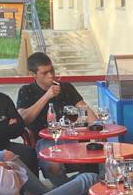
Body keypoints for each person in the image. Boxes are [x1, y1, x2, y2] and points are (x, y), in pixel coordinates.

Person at [16, 52, 97, 187]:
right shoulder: (26, 91)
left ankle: (85, 186)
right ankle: (72, 190)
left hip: (70, 137)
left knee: (98, 153)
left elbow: (86, 111)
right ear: (33, 74)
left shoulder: (66, 87)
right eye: (45, 73)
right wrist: (46, 96)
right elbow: (23, 119)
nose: (51, 75)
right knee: (53, 165)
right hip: (44, 140)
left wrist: (96, 126)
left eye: (52, 70)